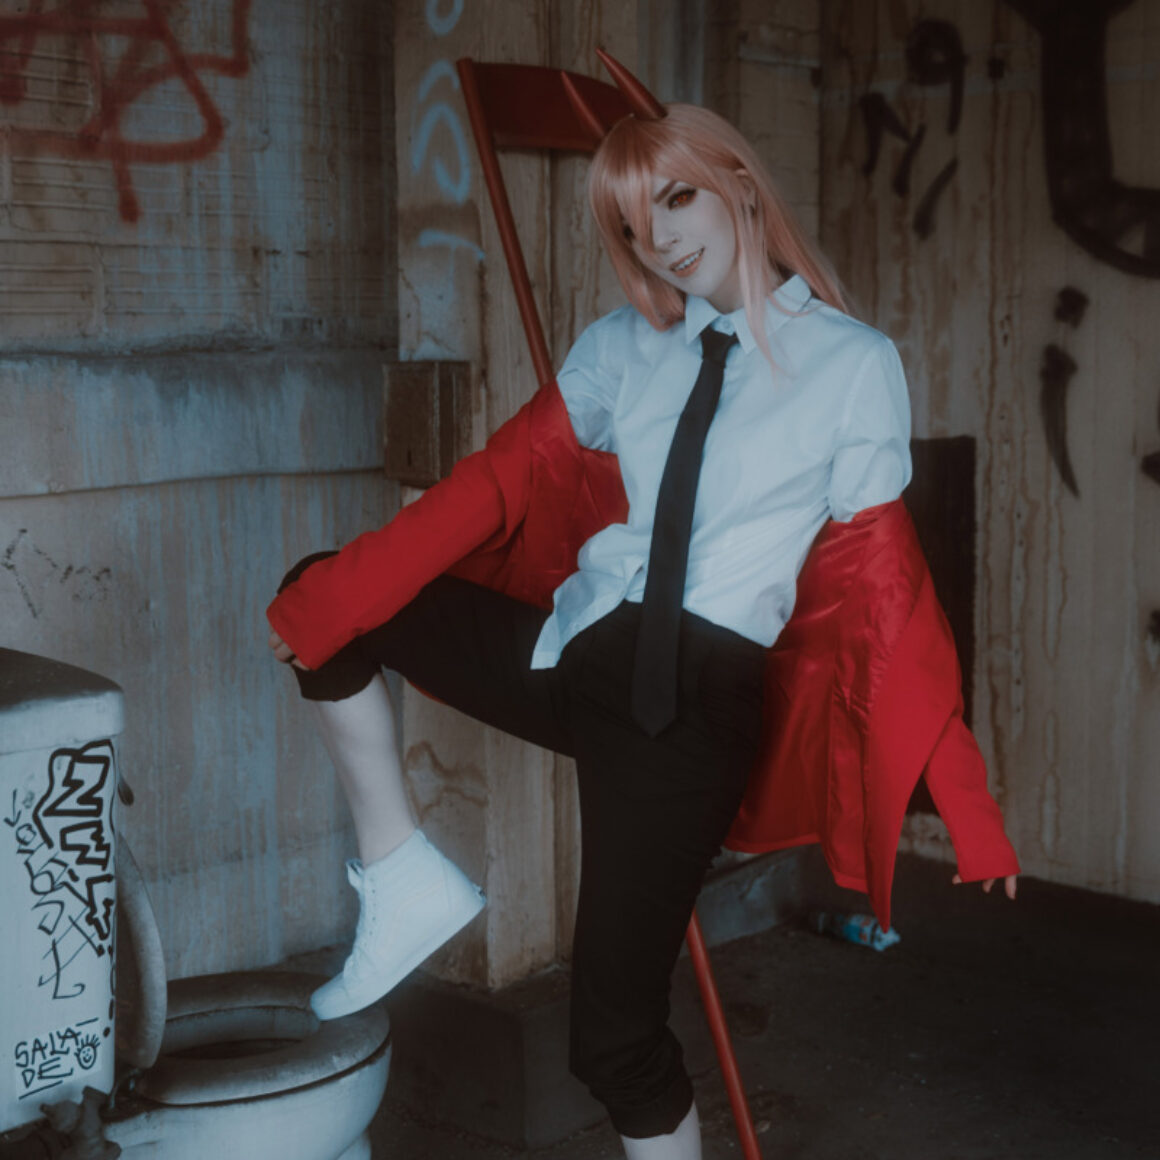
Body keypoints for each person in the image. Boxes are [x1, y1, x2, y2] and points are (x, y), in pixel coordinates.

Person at [267, 68, 1018, 1160]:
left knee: (613, 1041)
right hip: (572, 649)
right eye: (631, 221)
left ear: (738, 186)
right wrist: (337, 595)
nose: (658, 238)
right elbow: (493, 486)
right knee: (329, 601)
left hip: (687, 712)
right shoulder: (623, 346)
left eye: (675, 199)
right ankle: (401, 874)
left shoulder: (853, 366)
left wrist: (963, 794)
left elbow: (884, 587)